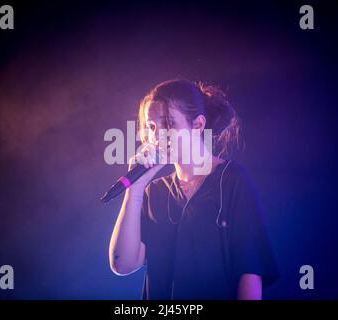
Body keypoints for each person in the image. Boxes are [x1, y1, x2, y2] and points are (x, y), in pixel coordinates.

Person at [109, 79, 279, 299]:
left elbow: (249, 274)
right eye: (151, 127)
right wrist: (136, 189)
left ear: (197, 125)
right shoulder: (154, 192)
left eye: (168, 123)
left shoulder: (232, 181)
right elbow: (122, 264)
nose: (157, 136)